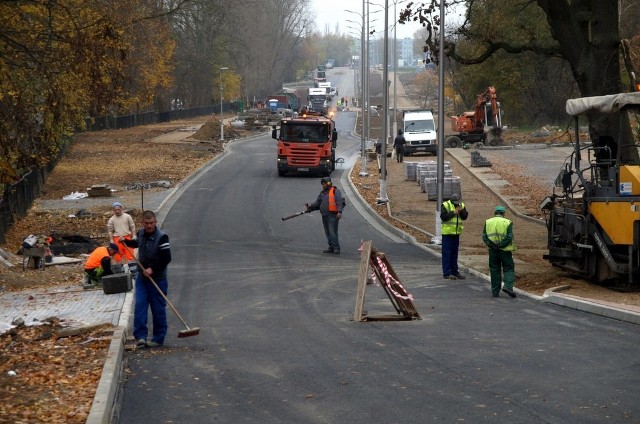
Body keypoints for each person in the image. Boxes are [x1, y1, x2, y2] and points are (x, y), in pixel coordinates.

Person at [123, 210, 172, 348]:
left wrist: (153, 269)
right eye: (146, 223)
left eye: (151, 223)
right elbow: (136, 243)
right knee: (140, 306)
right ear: (142, 223)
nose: (149, 226)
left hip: (158, 279)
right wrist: (125, 241)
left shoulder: (162, 237)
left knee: (158, 309)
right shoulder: (141, 233)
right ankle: (140, 337)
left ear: (155, 222)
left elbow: (166, 258)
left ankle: (158, 338)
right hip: (142, 279)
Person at [482, 205, 517, 298]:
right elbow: (509, 237)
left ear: (495, 213)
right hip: (504, 250)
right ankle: (508, 286)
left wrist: (492, 245)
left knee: (494, 270)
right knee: (508, 268)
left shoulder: (488, 222)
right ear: (503, 214)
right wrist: (501, 245)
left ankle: (495, 291)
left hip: (493, 251)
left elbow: (484, 236)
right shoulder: (507, 222)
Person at [306, 177, 344, 254]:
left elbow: (339, 201)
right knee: (327, 232)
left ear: (328, 183)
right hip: (325, 215)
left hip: (333, 215)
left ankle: (336, 248)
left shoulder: (335, 191)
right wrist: (311, 207)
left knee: (332, 231)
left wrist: (339, 212)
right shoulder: (322, 193)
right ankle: (331, 247)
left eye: (324, 184)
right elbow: (318, 203)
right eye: (322, 184)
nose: (323, 186)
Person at [440, 193, 468, 280]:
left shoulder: (461, 205)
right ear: (451, 201)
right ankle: (447, 273)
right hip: (447, 233)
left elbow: (465, 217)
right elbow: (443, 217)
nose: (457, 203)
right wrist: (453, 212)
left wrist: (461, 210)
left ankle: (455, 271)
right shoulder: (445, 205)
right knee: (447, 253)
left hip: (456, 233)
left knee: (454, 254)